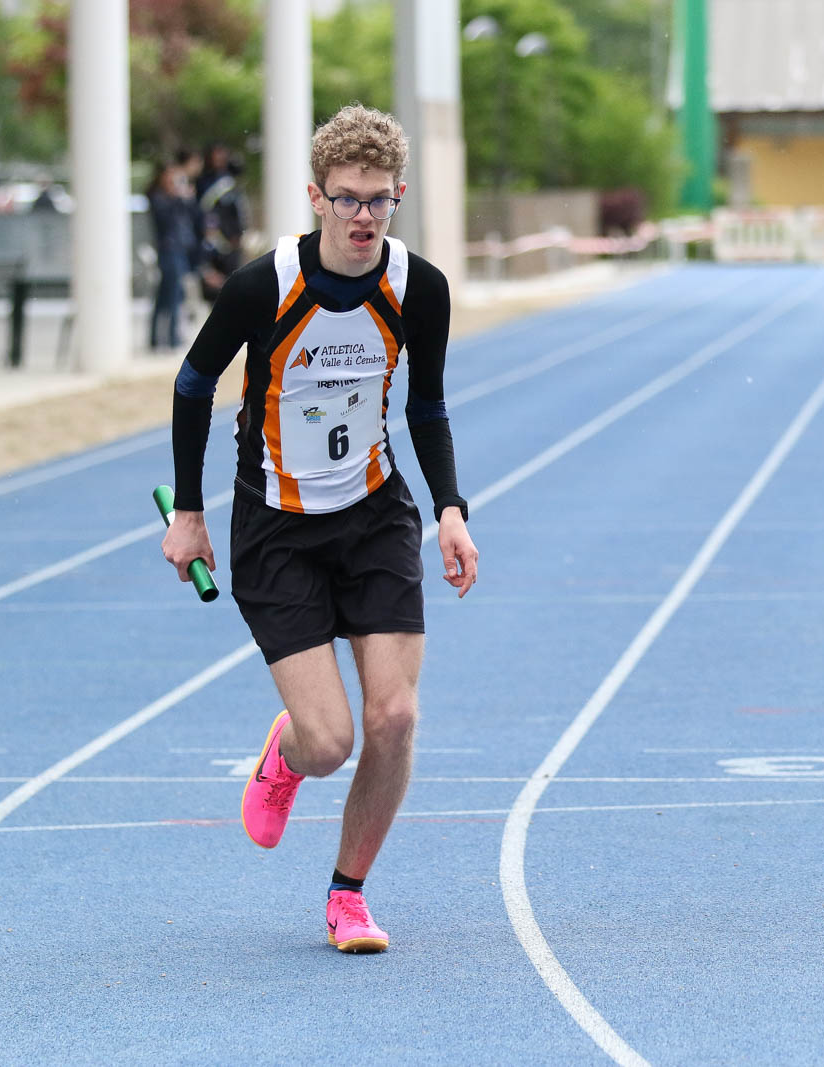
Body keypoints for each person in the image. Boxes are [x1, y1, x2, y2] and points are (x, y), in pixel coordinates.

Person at [160, 104, 479, 953]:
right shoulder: (263, 286)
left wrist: (450, 508)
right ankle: (290, 750)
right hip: (277, 529)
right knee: (331, 740)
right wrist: (189, 513)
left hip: (374, 516)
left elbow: (428, 405)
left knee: (395, 717)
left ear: (399, 195)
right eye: (347, 199)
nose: (363, 216)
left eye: (379, 199)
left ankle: (348, 895)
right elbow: (193, 385)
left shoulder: (419, 287)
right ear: (316, 198)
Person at [146, 159, 197, 351]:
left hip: (180, 249)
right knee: (172, 293)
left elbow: (192, 216)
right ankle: (171, 337)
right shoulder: (158, 197)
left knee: (168, 294)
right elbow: (164, 220)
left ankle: (160, 338)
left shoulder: (175, 198)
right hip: (169, 250)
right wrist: (177, 196)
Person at [194, 142, 248, 302]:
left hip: (230, 237)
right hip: (211, 237)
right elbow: (204, 209)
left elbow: (236, 210)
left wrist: (238, 232)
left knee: (232, 281)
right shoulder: (203, 181)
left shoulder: (229, 180)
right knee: (211, 285)